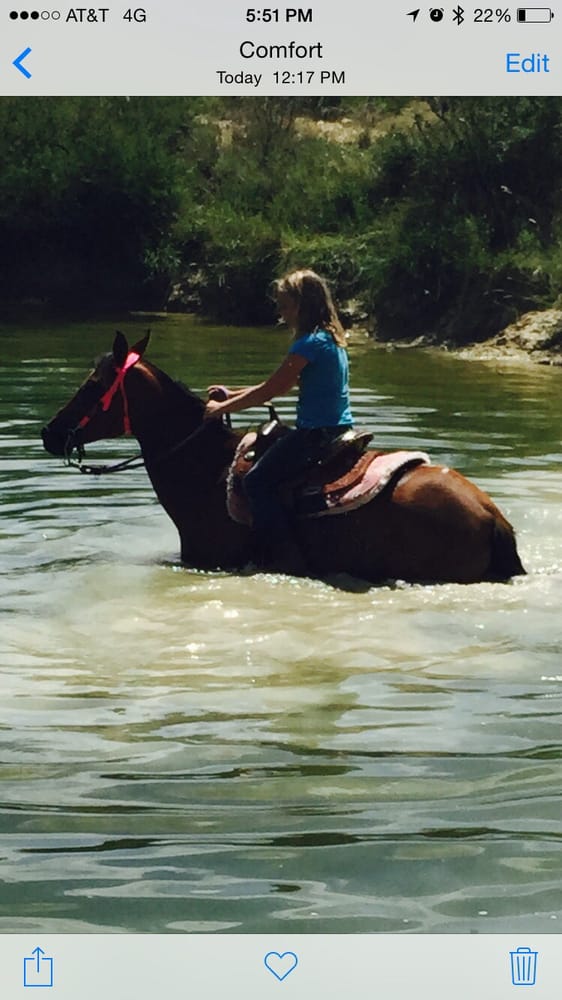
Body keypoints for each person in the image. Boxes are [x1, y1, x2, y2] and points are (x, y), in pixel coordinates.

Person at [204, 268, 354, 574]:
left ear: (302, 306)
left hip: (315, 435)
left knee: (257, 482)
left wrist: (220, 409)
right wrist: (233, 394)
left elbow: (271, 390)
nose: (281, 313)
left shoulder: (307, 344)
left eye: (285, 306)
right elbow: (279, 385)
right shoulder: (330, 339)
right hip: (339, 429)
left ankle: (282, 555)